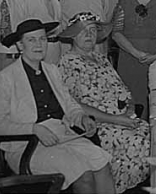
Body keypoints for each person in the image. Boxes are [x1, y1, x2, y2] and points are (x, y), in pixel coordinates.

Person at [0, 19, 115, 193]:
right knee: (83, 174)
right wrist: (34, 129)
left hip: (62, 136)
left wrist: (82, 118)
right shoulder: (4, 79)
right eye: (31, 40)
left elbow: (69, 104)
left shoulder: (52, 70)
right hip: (27, 146)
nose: (39, 44)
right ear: (19, 45)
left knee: (101, 162)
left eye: (42, 39)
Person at [58, 12, 150, 193]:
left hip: (123, 120)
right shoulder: (67, 62)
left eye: (93, 31)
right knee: (141, 144)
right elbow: (73, 104)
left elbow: (124, 92)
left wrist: (129, 111)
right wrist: (117, 120)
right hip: (96, 126)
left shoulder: (102, 59)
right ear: (72, 36)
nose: (89, 35)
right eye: (83, 31)